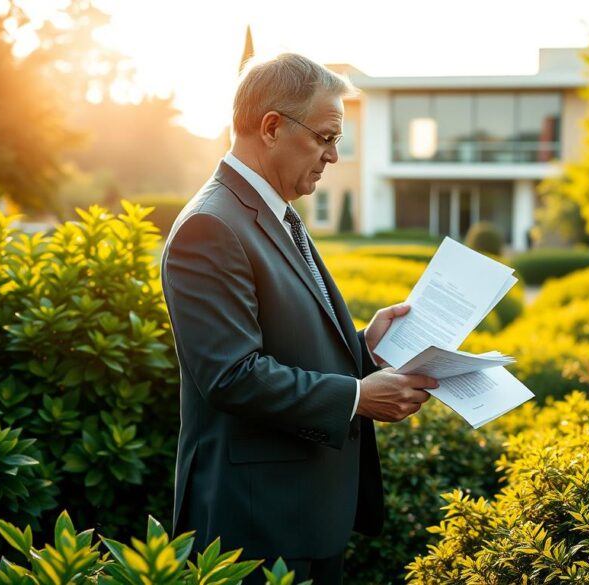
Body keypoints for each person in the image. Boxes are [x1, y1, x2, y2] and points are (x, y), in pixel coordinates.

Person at [160, 53, 438, 585]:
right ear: (271, 128)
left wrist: (365, 349)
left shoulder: (271, 208)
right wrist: (357, 396)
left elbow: (284, 343)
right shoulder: (210, 227)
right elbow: (231, 374)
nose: (334, 155)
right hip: (256, 529)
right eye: (326, 137)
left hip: (301, 517)